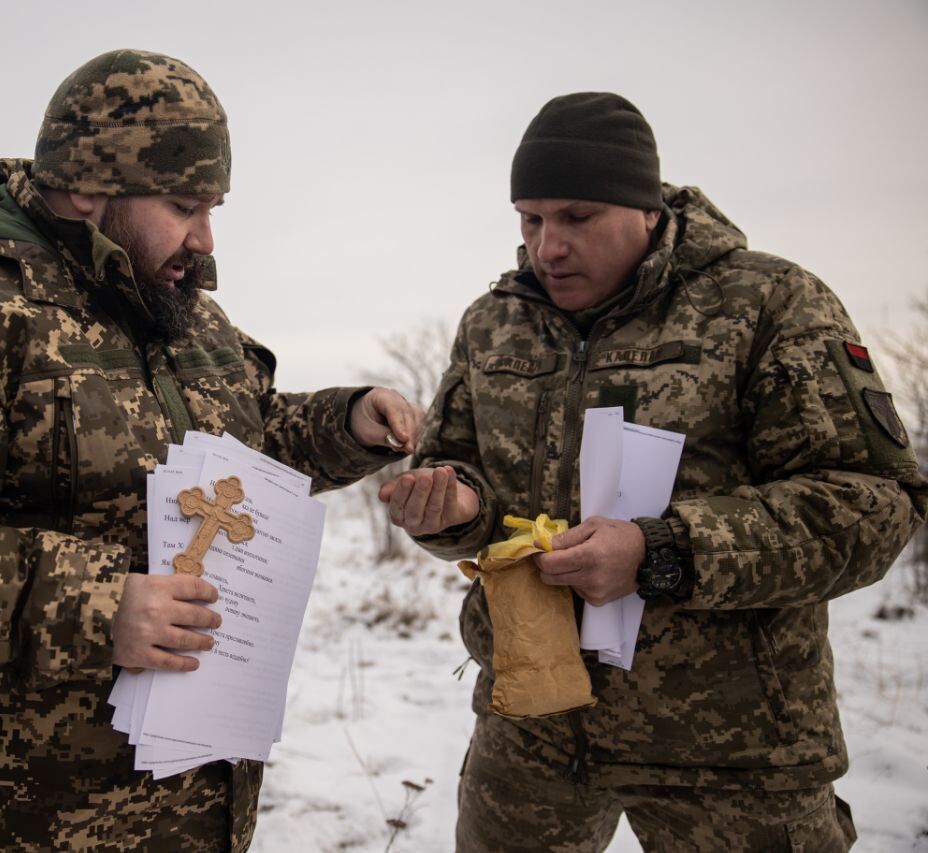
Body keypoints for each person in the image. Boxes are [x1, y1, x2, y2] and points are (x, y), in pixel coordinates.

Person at [0, 49, 421, 852]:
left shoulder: (179, 310)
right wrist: (97, 607)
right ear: (87, 189)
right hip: (14, 821)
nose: (206, 239)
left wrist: (345, 422)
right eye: (184, 205)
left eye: (214, 206)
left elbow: (245, 440)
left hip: (196, 809)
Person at [380, 92, 927, 851]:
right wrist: (451, 507)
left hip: (730, 747)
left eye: (576, 217)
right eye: (530, 221)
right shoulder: (495, 321)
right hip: (531, 724)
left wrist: (662, 552)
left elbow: (872, 503)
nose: (547, 248)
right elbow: (462, 466)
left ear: (646, 208)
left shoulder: (766, 303)